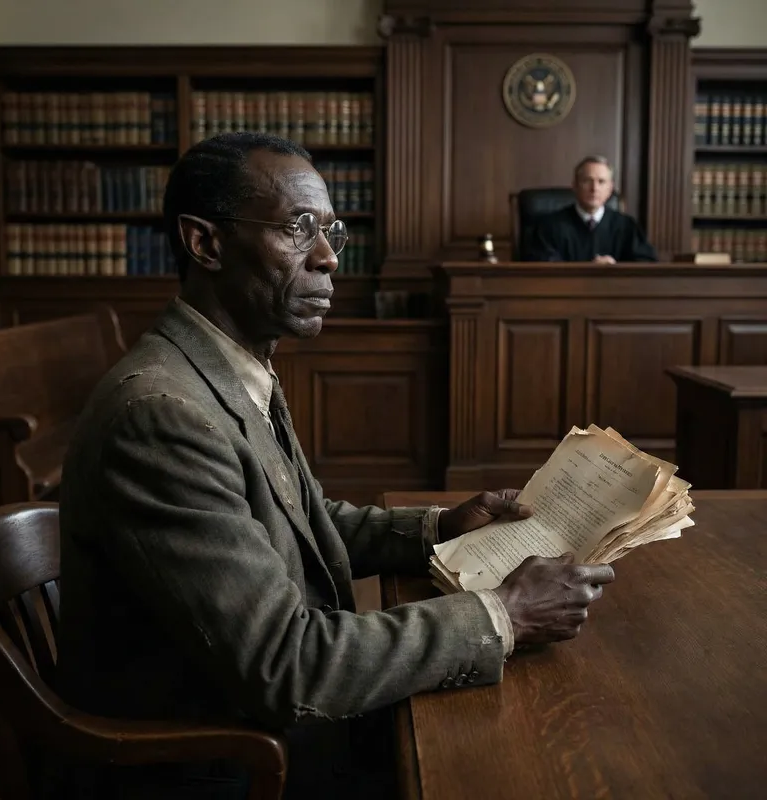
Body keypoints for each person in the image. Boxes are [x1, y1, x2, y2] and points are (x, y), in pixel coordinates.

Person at [56, 132, 615, 799]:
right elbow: (286, 668)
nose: (327, 258)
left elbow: (300, 520)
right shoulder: (161, 414)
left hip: (258, 725)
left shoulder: (231, 368)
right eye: (298, 229)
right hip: (220, 762)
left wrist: (439, 527)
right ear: (204, 243)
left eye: (330, 232)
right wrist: (502, 614)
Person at [523, 155, 658, 263]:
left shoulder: (627, 226)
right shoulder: (550, 226)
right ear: (575, 186)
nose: (594, 189)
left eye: (601, 182)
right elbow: (540, 264)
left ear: (610, 189)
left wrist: (615, 267)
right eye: (587, 181)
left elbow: (646, 264)